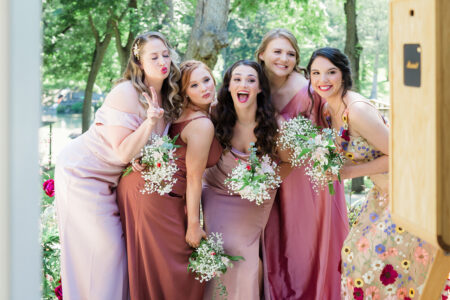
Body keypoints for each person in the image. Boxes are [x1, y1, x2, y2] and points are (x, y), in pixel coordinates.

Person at [54, 31, 181, 300]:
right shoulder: (125, 93)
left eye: (166, 55)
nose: (163, 61)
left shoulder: (168, 97)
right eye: (154, 56)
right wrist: (148, 122)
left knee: (120, 252)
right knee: (107, 249)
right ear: (139, 62)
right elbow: (123, 152)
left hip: (111, 181)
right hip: (82, 173)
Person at [307, 46, 437, 299]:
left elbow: (401, 154)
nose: (323, 80)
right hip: (382, 194)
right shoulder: (327, 110)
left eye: (330, 72)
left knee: (382, 263)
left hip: (407, 194)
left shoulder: (356, 110)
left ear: (343, 74)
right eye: (316, 73)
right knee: (355, 257)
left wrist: (349, 172)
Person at [116, 59, 222, 300]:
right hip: (156, 198)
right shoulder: (201, 124)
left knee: (155, 270)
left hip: (147, 189)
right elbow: (195, 178)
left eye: (206, 80)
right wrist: (194, 225)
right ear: (184, 93)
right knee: (175, 273)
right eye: (194, 86)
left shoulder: (185, 113)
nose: (204, 88)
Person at [256, 28, 349, 299]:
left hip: (312, 180)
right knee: (279, 245)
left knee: (308, 246)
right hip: (276, 177)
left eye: (291, 53)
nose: (284, 58)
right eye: (277, 51)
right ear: (262, 54)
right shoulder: (254, 85)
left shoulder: (310, 89)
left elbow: (339, 125)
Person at [202, 60, 290, 300]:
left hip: (255, 196)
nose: (244, 84)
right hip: (217, 190)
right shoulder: (214, 113)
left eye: (251, 80)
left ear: (260, 88)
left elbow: (288, 163)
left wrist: (264, 181)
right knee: (219, 248)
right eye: (237, 79)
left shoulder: (275, 124)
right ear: (229, 86)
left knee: (243, 251)